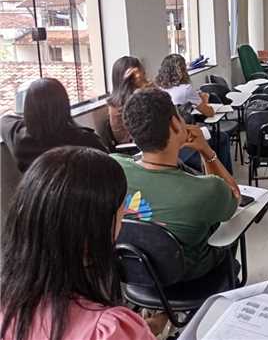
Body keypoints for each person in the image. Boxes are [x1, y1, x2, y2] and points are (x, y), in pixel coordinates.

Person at [0, 146, 157, 340]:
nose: (124, 214)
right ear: (94, 230)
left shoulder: (7, 310)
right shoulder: (109, 331)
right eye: (120, 208)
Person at [113, 87, 240, 281]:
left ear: (132, 132)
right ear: (175, 124)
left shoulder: (112, 167)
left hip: (132, 273)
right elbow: (234, 196)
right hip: (189, 278)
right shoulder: (207, 191)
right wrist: (206, 151)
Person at [0, 78, 107, 173]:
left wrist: (36, 119)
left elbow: (5, 120)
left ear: (27, 110)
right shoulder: (88, 142)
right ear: (65, 105)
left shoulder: (22, 142)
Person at [155, 53, 233, 173]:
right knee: (222, 138)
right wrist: (205, 99)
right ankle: (223, 173)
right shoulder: (186, 89)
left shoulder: (158, 89)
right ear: (182, 71)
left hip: (166, 139)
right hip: (186, 136)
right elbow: (209, 113)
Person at [107, 56, 150, 144]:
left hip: (145, 140)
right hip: (134, 145)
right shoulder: (124, 104)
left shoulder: (136, 97)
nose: (145, 79)